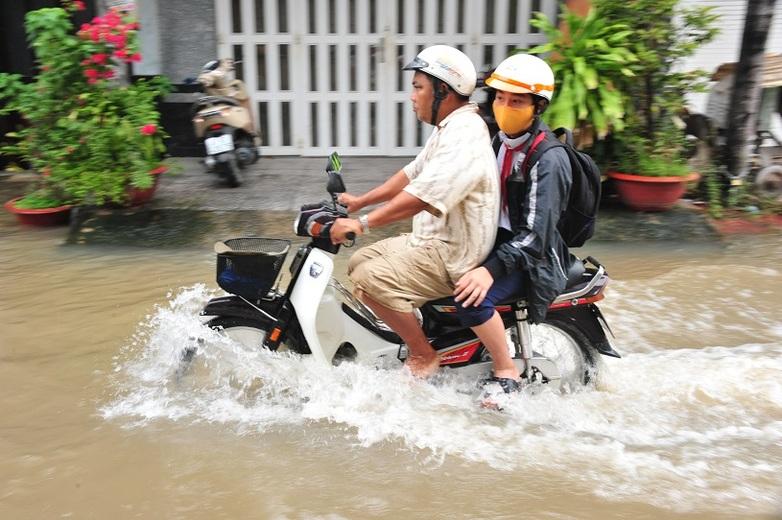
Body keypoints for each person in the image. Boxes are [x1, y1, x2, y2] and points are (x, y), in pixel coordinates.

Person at [329, 45, 500, 378]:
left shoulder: (465, 134)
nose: (411, 97)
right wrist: (361, 201)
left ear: (443, 91)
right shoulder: (450, 127)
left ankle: (424, 353)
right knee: (357, 262)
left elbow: (420, 198)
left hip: (453, 254)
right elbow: (411, 173)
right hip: (432, 239)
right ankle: (411, 322)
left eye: (418, 87)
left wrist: (362, 223)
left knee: (369, 278)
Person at [453, 54, 574, 393]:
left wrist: (488, 270)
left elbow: (535, 237)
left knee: (469, 298)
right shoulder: (500, 142)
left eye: (516, 101)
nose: (504, 106)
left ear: (537, 106)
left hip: (532, 258)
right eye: (500, 98)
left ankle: (506, 370)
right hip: (499, 240)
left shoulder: (548, 159)